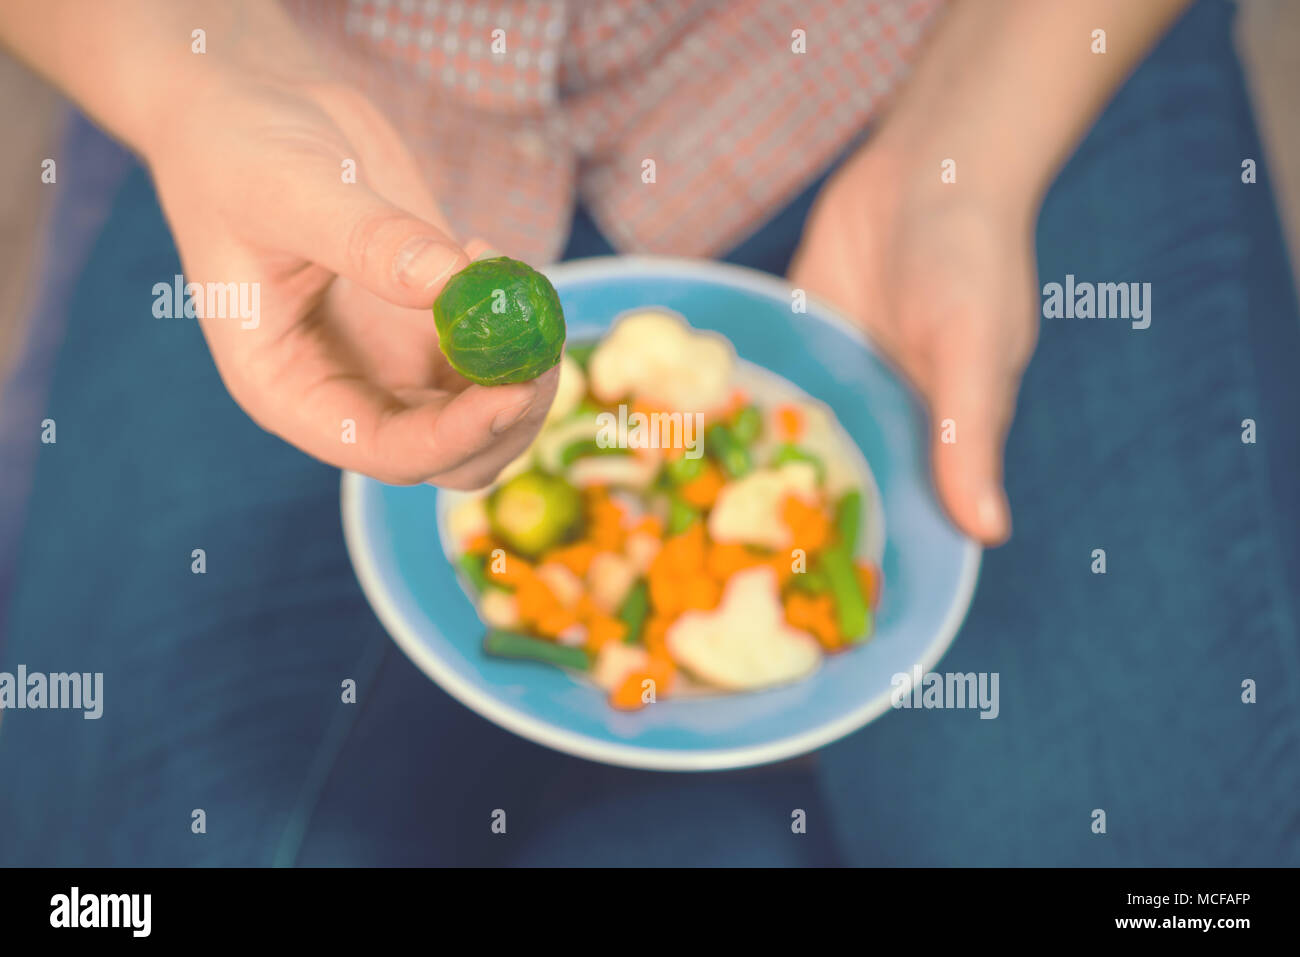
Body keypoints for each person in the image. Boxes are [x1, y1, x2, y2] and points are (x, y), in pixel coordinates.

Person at [1, 0, 1296, 866]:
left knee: (1140, 841)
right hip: (299, 87)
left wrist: (972, 147)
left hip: (962, 53)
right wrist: (202, 81)